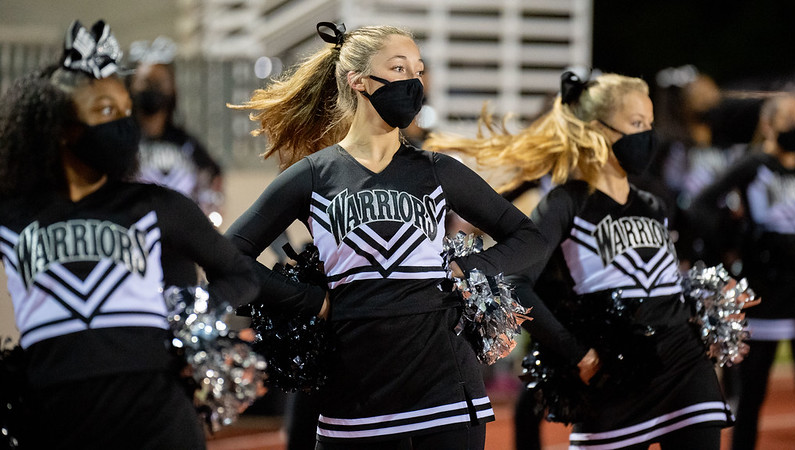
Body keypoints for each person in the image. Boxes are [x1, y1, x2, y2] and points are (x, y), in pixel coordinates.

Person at [225, 21, 541, 449]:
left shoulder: (436, 170)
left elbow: (528, 236)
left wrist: (472, 267)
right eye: (398, 68)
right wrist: (308, 300)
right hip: (356, 395)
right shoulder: (314, 176)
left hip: (445, 389)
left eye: (418, 70)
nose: (412, 82)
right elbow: (228, 257)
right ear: (358, 80)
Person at [426, 71, 739, 449]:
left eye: (650, 124)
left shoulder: (655, 201)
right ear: (598, 131)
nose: (648, 136)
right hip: (614, 377)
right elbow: (515, 280)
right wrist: (576, 352)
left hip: (686, 365)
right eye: (636, 124)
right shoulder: (565, 203)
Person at [0, 20, 260, 449]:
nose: (124, 124)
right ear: (62, 127)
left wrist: (187, 309)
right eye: (105, 111)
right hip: (54, 422)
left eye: (125, 112)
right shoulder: (12, 213)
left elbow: (240, 273)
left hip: (156, 422)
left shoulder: (158, 205)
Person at [688, 93, 795, 450]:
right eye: (790, 119)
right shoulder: (753, 165)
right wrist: (732, 242)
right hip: (765, 293)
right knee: (752, 395)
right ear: (769, 125)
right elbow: (701, 204)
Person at [128, 37, 225, 229]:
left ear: (172, 87)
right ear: (131, 85)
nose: (152, 89)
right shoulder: (120, 142)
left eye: (159, 82)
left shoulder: (187, 144)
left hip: (180, 242)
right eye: (146, 81)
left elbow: (213, 181)